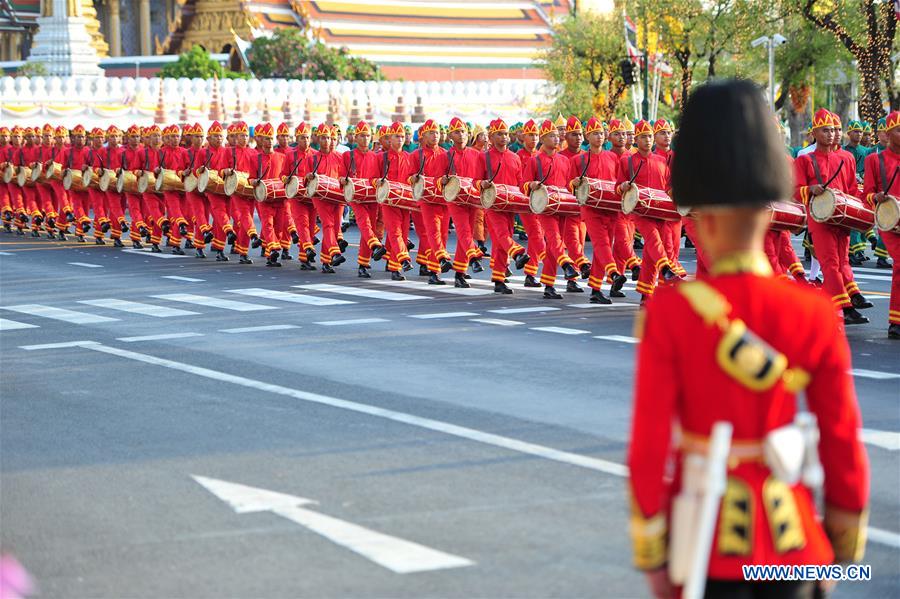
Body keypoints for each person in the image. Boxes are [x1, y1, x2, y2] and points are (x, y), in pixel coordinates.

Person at [628, 78, 869, 599]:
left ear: (698, 212)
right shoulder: (812, 311)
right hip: (793, 543)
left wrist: (653, 551)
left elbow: (648, 449)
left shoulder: (671, 311)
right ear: (770, 204)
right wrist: (841, 548)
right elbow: (843, 441)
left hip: (706, 544)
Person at [795, 109, 873, 324]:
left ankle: (850, 296)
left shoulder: (846, 158)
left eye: (834, 130)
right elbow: (794, 190)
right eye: (825, 130)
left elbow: (851, 190)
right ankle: (846, 308)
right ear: (814, 133)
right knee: (830, 262)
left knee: (843, 260)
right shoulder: (805, 160)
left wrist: (865, 206)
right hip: (818, 218)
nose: (831, 134)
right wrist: (810, 189)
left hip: (842, 217)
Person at [616, 119, 681, 302]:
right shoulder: (627, 161)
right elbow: (617, 187)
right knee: (653, 239)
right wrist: (623, 186)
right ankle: (666, 269)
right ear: (636, 140)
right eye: (643, 137)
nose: (647, 140)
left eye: (650, 136)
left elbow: (668, 187)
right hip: (641, 211)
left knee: (651, 252)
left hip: (660, 210)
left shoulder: (661, 161)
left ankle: (645, 293)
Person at [568, 117, 628, 303]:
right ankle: (613, 272)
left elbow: (618, 183)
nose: (599, 137)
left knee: (604, 247)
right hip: (591, 209)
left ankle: (595, 289)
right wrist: (575, 183)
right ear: (588, 136)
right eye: (595, 134)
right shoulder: (579, 159)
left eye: (602, 133)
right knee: (601, 244)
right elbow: (569, 184)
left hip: (610, 209)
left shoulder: (613, 157)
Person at [520, 119, 580, 299]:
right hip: (545, 207)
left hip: (562, 206)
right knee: (554, 239)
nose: (557, 139)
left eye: (557, 136)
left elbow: (569, 185)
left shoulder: (564, 160)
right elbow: (523, 185)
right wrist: (532, 184)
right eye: (552, 136)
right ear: (544, 139)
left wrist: (574, 184)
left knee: (555, 243)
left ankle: (548, 285)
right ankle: (567, 265)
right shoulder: (535, 160)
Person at [862, 110, 900, 339]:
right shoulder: (874, 160)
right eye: (899, 129)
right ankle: (895, 322)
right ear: (887, 134)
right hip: (890, 223)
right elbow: (865, 194)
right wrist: (875, 197)